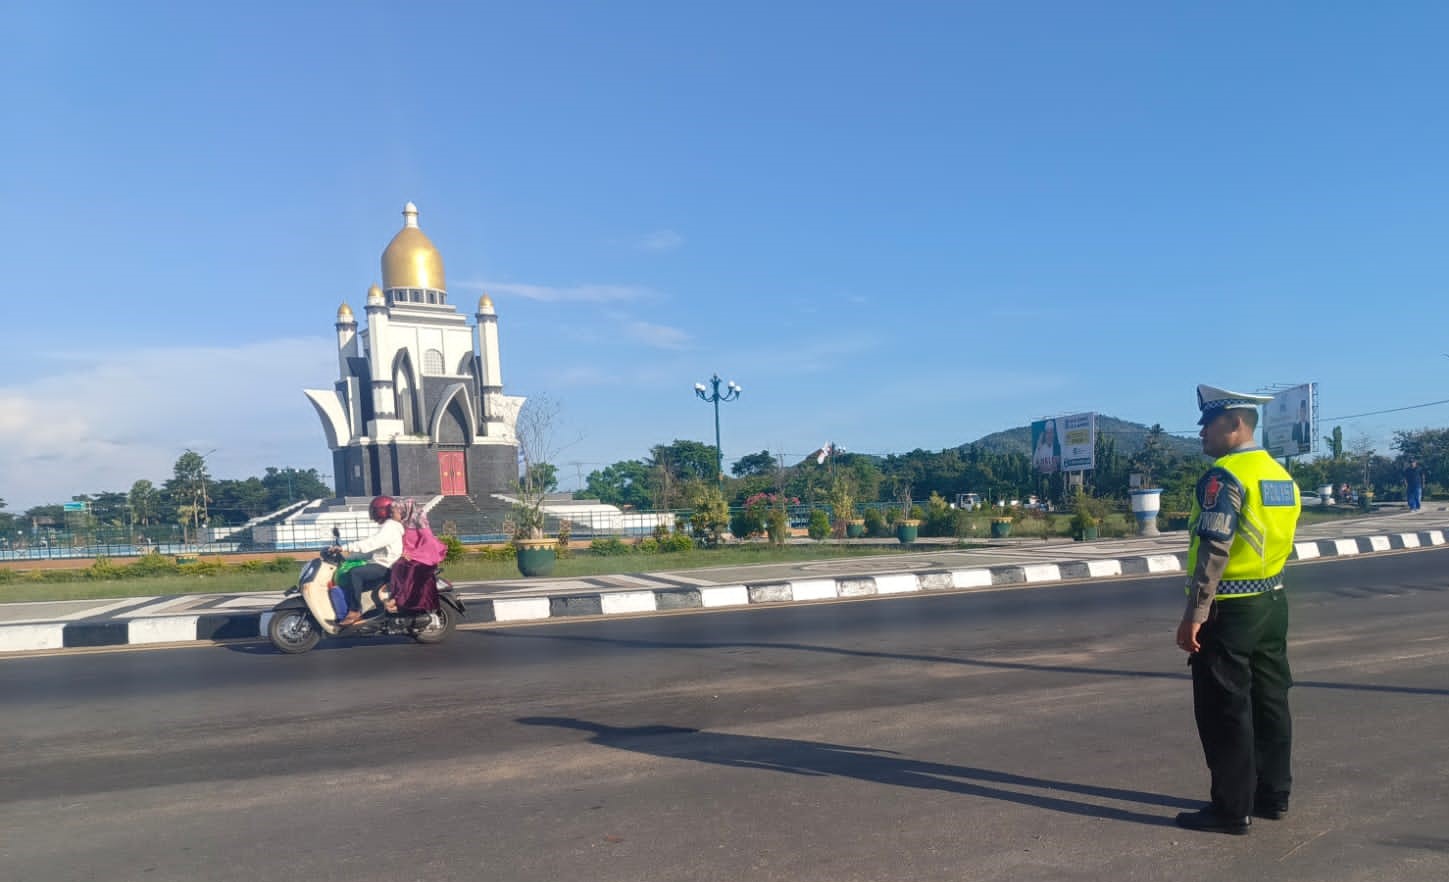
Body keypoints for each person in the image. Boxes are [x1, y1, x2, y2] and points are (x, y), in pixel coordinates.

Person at [1175, 384, 1302, 835]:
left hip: (1229, 607)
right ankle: (1273, 795)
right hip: (1272, 600)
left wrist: (1195, 612)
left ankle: (1232, 808)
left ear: (1235, 423)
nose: (1202, 434)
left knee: (1224, 707)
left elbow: (1214, 547)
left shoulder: (1224, 476)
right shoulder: (1277, 475)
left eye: (1208, 424)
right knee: (1270, 701)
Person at [334, 495, 404, 627]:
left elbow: (371, 544)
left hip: (386, 567)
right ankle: (369, 613)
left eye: (375, 510)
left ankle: (355, 611)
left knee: (355, 573)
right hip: (381, 564)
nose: (373, 513)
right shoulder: (388, 527)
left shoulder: (391, 527)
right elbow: (370, 552)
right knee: (352, 583)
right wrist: (347, 557)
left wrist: (345, 547)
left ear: (383, 510)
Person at [385, 498, 447, 613]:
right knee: (397, 566)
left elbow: (429, 542)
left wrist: (413, 555)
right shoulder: (401, 524)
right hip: (410, 556)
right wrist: (402, 552)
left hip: (425, 557)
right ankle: (395, 597)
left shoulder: (419, 522)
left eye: (393, 512)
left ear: (403, 511)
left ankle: (399, 600)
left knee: (409, 569)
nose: (391, 515)